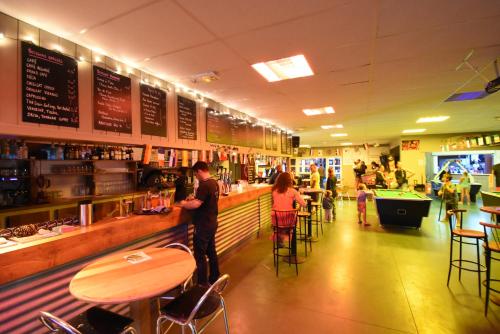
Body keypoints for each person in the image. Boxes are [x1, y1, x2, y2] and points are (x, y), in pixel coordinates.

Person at [178, 161, 220, 286]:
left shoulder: (205, 185)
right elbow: (204, 200)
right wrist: (195, 199)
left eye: (196, 174)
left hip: (203, 225)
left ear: (200, 171)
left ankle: (202, 283)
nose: (196, 176)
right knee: (211, 251)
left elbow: (197, 204)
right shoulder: (214, 183)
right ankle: (214, 277)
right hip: (212, 222)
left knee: (200, 255)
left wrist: (184, 204)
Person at [272, 172, 307, 243]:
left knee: (281, 221)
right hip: (288, 220)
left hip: (276, 219)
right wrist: (298, 196)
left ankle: (280, 237)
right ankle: (289, 238)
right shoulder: (292, 191)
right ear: (289, 180)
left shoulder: (274, 191)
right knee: (294, 216)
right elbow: (304, 204)